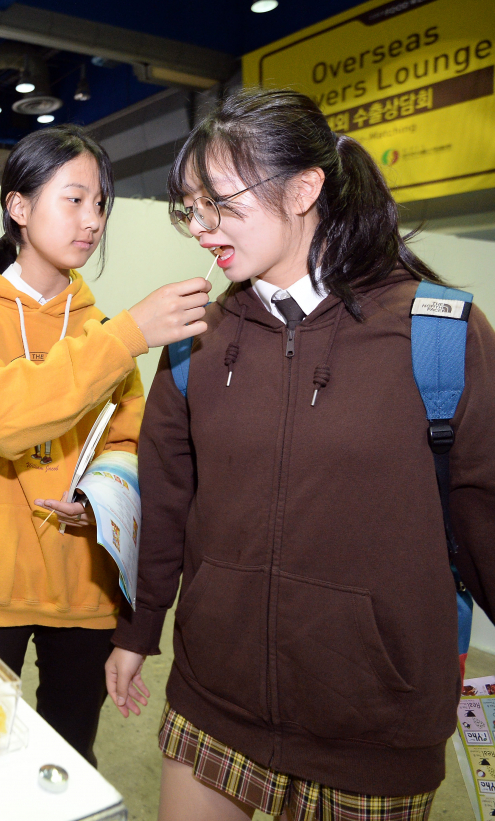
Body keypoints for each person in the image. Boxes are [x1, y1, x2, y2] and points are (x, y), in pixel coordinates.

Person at [105, 87, 495, 820]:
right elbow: (165, 502)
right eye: (189, 209)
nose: (201, 229)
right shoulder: (196, 341)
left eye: (219, 204)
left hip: (371, 724)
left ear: (304, 189)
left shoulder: (439, 334)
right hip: (211, 695)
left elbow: (484, 517)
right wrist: (138, 629)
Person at [0, 124, 211, 764]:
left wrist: (102, 499)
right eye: (75, 199)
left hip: (82, 585)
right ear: (19, 206)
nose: (93, 221)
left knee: (69, 762)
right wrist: (126, 337)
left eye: (101, 204)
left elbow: (128, 439)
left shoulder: (101, 328)